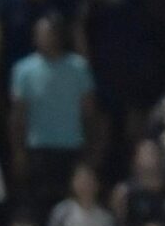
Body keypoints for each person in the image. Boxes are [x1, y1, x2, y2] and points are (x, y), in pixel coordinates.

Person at [9, 13, 101, 215]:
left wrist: (92, 148)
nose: (46, 39)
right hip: (38, 150)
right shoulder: (23, 70)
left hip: (71, 148)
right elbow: (18, 116)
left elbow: (89, 113)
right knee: (39, 207)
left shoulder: (79, 68)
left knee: (70, 208)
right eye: (41, 34)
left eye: (50, 34)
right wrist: (18, 151)